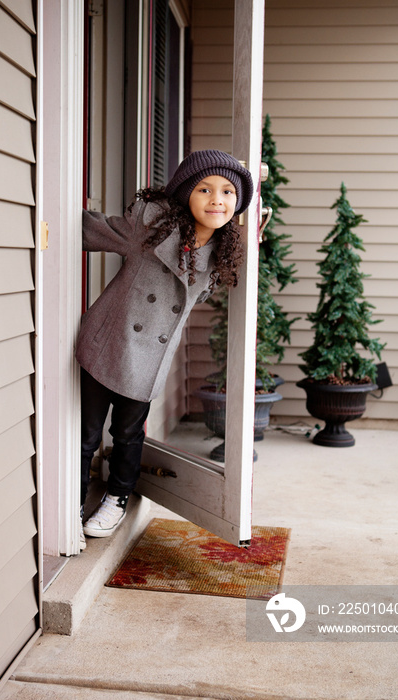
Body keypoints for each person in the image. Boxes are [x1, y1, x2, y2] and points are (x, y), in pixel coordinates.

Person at [76, 149, 254, 550]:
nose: (216, 200)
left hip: (149, 357)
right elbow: (90, 230)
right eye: (205, 189)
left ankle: (117, 498)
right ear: (185, 192)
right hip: (108, 342)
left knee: (127, 433)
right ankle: (70, 502)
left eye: (228, 192)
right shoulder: (149, 226)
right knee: (87, 433)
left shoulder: (223, 253)